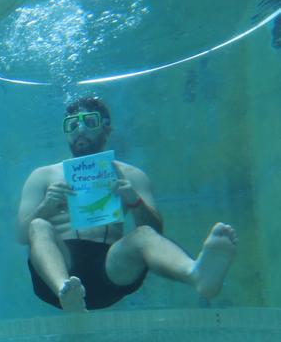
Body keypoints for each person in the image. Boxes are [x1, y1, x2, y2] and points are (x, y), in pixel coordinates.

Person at [16, 96, 237, 312]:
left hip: (111, 270)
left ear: (107, 129)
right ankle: (66, 291)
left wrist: (134, 201)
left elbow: (155, 231)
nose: (80, 130)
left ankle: (197, 274)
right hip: (56, 272)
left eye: (90, 122)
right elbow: (22, 235)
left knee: (143, 234)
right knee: (38, 225)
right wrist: (46, 206)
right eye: (72, 125)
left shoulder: (132, 175)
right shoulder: (42, 176)